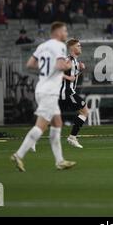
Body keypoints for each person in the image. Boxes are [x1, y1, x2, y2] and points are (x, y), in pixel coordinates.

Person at [11, 22, 75, 172]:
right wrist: (68, 66)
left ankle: (59, 161)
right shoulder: (59, 46)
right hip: (49, 92)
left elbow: (30, 64)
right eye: (65, 30)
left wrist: (47, 67)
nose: (66, 33)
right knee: (41, 126)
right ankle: (19, 154)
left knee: (57, 123)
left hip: (41, 89)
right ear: (58, 32)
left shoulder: (42, 46)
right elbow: (60, 66)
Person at [60, 39, 88, 148]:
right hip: (67, 92)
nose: (80, 47)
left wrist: (80, 70)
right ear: (72, 48)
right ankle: (72, 137)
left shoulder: (75, 61)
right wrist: (68, 77)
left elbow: (72, 76)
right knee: (85, 111)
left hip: (67, 92)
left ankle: (32, 140)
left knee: (51, 118)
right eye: (78, 46)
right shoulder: (68, 60)